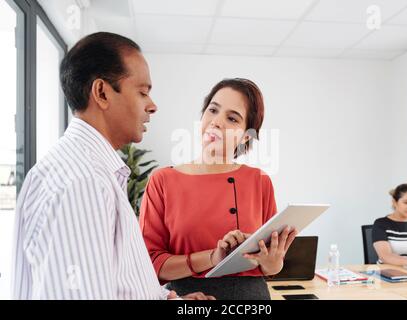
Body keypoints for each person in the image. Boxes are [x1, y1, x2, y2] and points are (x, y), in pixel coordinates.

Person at [11, 32, 213, 300]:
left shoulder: (93, 172)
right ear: (102, 92)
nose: (152, 106)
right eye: (142, 92)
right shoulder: (81, 182)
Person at [139, 78, 298, 300]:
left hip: (251, 298)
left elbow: (269, 267)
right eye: (212, 110)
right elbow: (150, 265)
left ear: (246, 136)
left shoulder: (259, 181)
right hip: (187, 297)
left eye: (232, 118)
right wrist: (213, 257)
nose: (216, 122)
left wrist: (273, 263)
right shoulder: (162, 181)